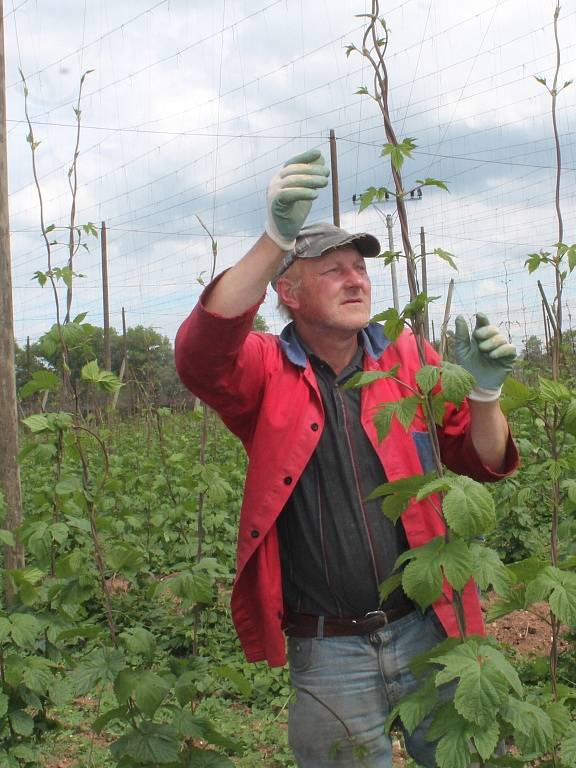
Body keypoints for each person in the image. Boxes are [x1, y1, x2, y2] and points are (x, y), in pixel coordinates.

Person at [174, 149, 519, 768]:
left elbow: (483, 459)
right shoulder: (266, 370)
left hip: (430, 623)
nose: (357, 279)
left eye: (359, 268)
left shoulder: (409, 360)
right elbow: (202, 354)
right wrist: (274, 238)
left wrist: (486, 394)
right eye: (332, 269)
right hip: (327, 646)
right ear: (288, 291)